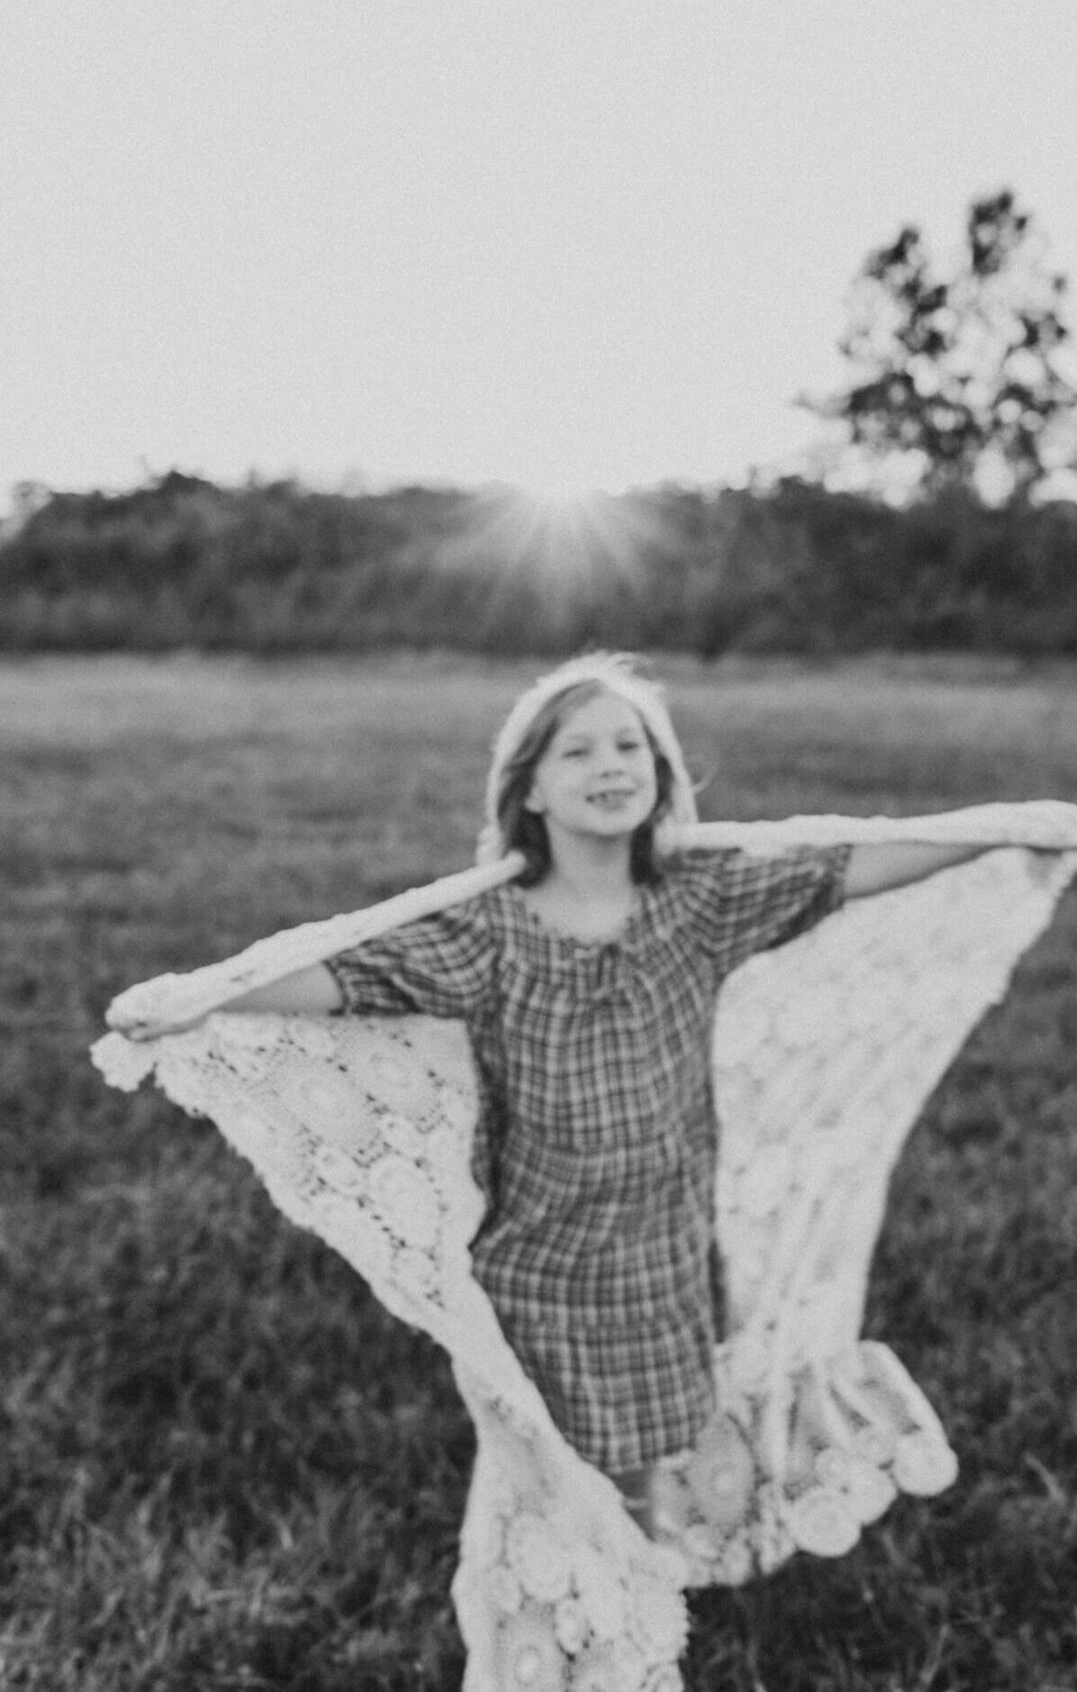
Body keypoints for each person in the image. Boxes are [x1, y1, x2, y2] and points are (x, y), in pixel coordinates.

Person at [115, 652, 1003, 1691]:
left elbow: (841, 868)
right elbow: (356, 974)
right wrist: (206, 999)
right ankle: (587, 1643)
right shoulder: (493, 933)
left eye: (631, 745)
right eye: (577, 748)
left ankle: (655, 1583)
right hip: (543, 1274)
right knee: (562, 1482)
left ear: (662, 776)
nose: (609, 763)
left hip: (662, 1260)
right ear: (529, 788)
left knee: (663, 1446)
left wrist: (1005, 830)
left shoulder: (702, 901)